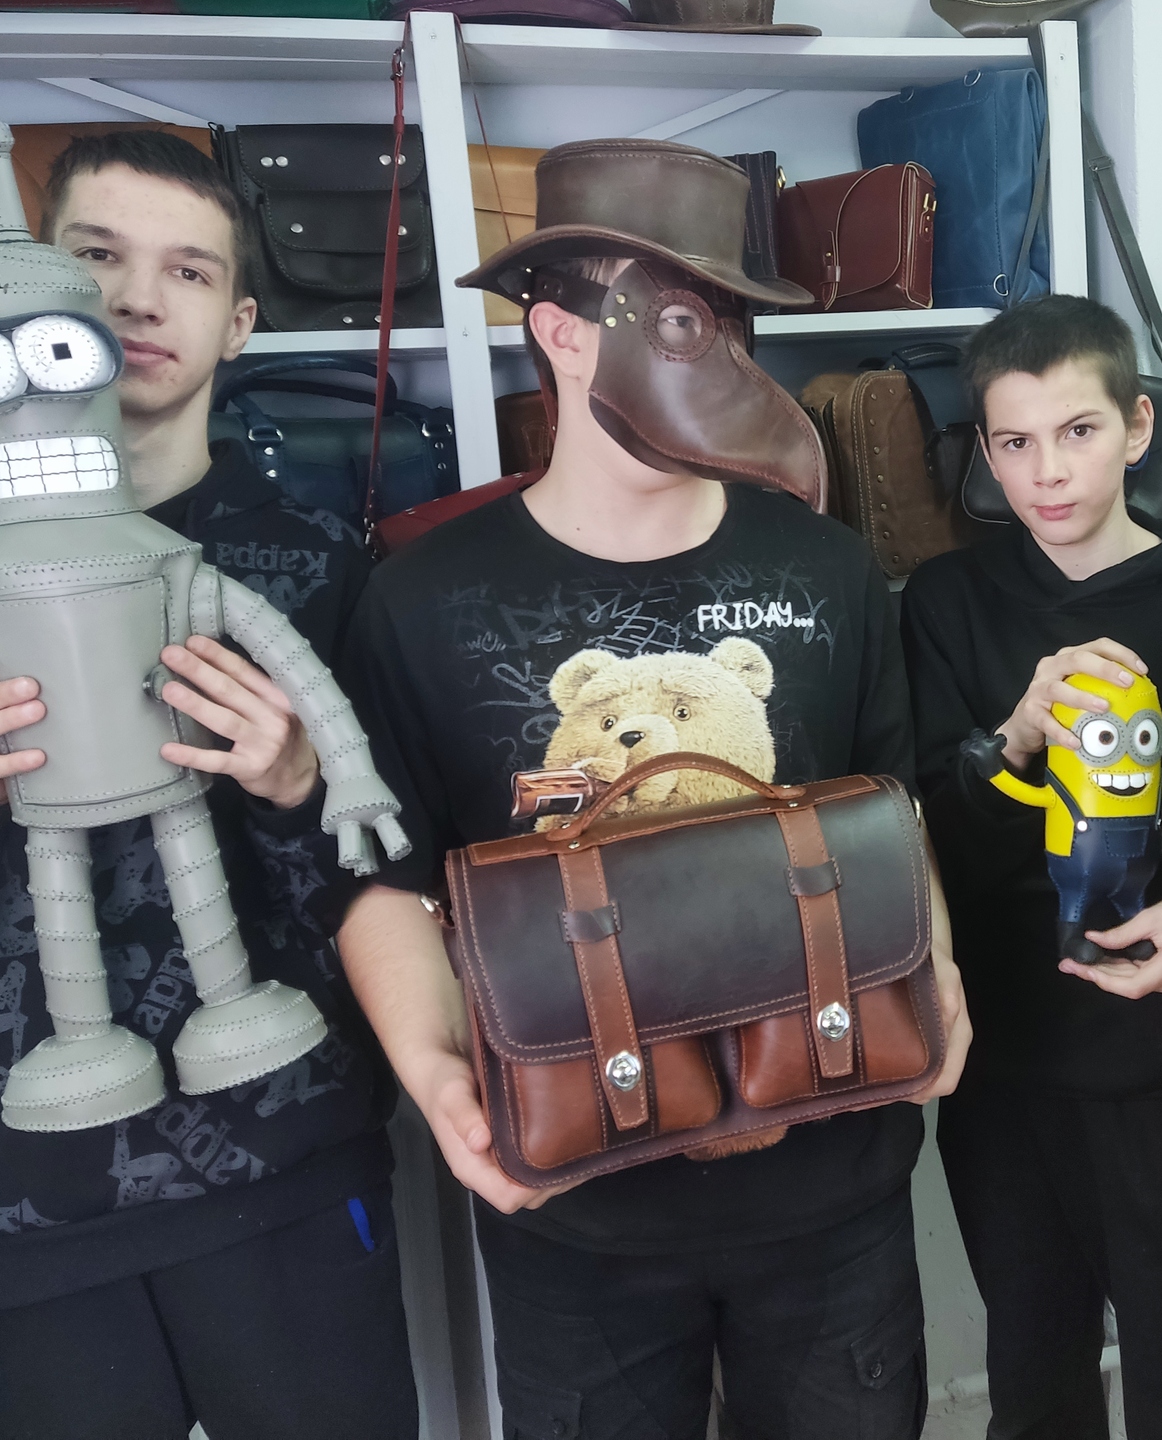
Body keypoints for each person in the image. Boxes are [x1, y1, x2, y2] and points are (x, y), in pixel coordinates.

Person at [334, 139, 970, 1440]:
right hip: (580, 1205)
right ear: (559, 332)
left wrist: (939, 977)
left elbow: (890, 806)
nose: (717, 356)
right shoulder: (419, 599)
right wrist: (437, 1079)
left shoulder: (827, 567)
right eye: (680, 320)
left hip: (828, 1174)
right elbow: (383, 871)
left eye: (731, 321)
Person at [0, 130, 414, 1440]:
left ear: (238, 323)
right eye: (97, 258)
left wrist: (296, 782)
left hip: (282, 1169)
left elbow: (389, 884)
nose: (135, 300)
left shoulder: (313, 565)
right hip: (20, 1194)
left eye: (188, 271)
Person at [900, 295, 1162, 1440]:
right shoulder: (944, 603)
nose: (1047, 471)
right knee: (1033, 1376)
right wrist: (1010, 740)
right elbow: (922, 846)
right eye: (1014, 441)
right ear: (984, 454)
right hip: (1000, 1071)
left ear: (1136, 427)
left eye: (1076, 431)